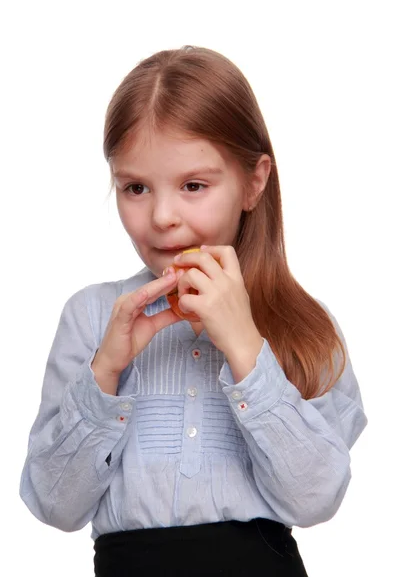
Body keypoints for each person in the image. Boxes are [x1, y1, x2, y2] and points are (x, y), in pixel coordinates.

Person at [19, 45, 368, 576]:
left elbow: (316, 499)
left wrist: (247, 348)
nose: (162, 216)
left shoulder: (304, 323)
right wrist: (105, 372)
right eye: (135, 187)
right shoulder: (93, 317)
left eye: (194, 186)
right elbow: (54, 505)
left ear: (254, 182)